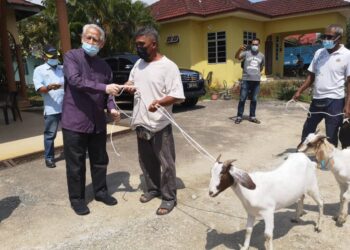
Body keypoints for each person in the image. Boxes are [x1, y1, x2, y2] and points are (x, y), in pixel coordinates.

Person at [62, 24, 122, 215]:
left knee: (100, 160)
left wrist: (112, 109)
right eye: (88, 38)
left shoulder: (104, 67)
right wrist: (105, 88)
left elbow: (109, 95)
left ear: (102, 43)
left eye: (95, 39)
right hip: (75, 121)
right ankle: (77, 199)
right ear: (82, 38)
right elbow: (75, 80)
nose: (91, 42)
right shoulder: (71, 57)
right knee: (75, 165)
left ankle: (101, 192)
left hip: (97, 122)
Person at [125, 27, 185, 216]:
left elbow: (176, 95)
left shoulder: (169, 67)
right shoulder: (139, 64)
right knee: (146, 160)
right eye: (136, 44)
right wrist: (128, 87)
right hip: (140, 121)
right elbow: (131, 82)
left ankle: (169, 198)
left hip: (160, 123)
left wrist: (160, 102)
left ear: (154, 44)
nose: (138, 48)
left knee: (166, 163)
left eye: (141, 44)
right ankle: (152, 189)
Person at [293, 24, 350, 147]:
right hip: (317, 100)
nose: (325, 39)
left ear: (339, 38)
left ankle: (327, 162)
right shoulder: (319, 53)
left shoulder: (347, 55)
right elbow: (311, 76)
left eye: (329, 37)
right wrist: (300, 90)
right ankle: (302, 157)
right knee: (307, 131)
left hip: (335, 102)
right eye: (324, 36)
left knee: (331, 136)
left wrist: (347, 105)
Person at [33, 45, 64, 168]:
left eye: (56, 56)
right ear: (44, 57)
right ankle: (49, 158)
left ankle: (72, 153)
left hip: (66, 108)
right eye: (52, 56)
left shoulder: (62, 68)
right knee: (50, 135)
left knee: (70, 133)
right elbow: (39, 88)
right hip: (52, 109)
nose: (55, 58)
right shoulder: (39, 70)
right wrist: (49, 87)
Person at [234, 38, 265, 124]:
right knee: (242, 99)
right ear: (251, 45)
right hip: (246, 80)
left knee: (254, 99)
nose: (254, 46)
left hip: (256, 81)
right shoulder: (246, 53)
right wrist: (240, 49)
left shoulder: (262, 56)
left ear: (259, 45)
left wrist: (256, 74)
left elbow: (261, 67)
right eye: (253, 44)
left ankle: (252, 116)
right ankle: (239, 116)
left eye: (256, 44)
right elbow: (237, 57)